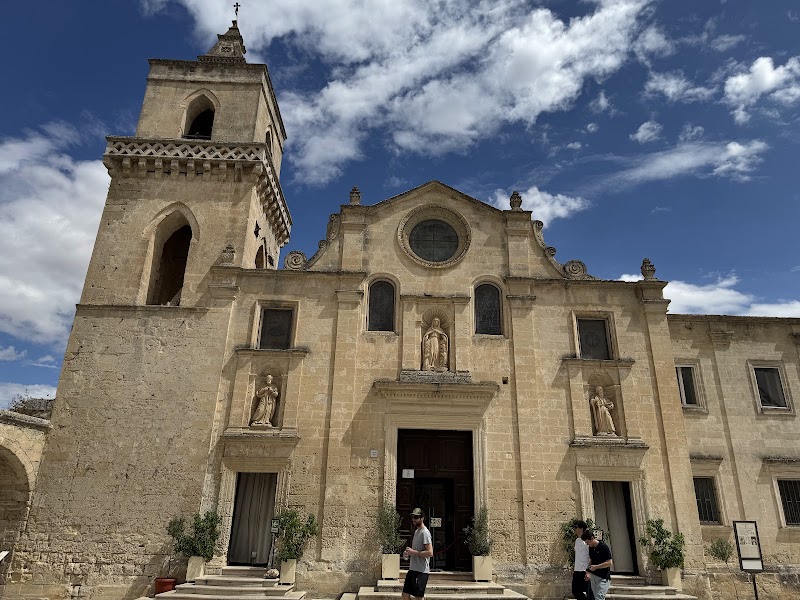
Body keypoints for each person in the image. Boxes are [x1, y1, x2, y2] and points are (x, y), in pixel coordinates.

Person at [402, 508, 433, 600]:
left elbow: (430, 552)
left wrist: (413, 552)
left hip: (421, 571)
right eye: (412, 517)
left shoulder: (425, 533)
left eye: (416, 517)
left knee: (418, 597)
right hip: (413, 569)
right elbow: (416, 550)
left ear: (422, 518)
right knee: (405, 594)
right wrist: (408, 553)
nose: (413, 520)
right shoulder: (416, 532)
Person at [582, 530, 613, 600]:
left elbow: (609, 563)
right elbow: (591, 560)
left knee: (599, 598)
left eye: (587, 542)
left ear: (592, 538)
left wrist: (596, 567)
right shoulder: (590, 548)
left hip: (603, 578)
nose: (587, 544)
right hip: (594, 577)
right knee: (596, 597)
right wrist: (587, 572)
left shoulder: (604, 547)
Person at [571, 521, 592, 600]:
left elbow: (591, 556)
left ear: (581, 529)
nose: (574, 529)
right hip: (577, 570)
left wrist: (589, 571)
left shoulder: (586, 541)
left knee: (589, 592)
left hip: (585, 570)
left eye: (576, 527)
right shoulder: (577, 540)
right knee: (575, 591)